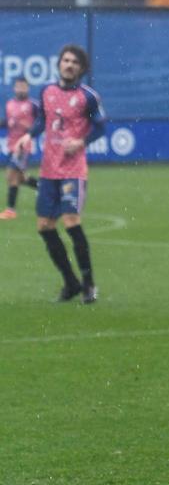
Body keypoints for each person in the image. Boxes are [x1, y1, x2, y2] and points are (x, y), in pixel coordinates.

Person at [16, 45, 106, 303]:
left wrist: (81, 142)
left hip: (73, 170)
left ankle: (89, 285)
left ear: (81, 68)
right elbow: (42, 122)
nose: (69, 65)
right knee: (44, 226)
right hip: (48, 169)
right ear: (59, 64)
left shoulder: (88, 96)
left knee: (71, 221)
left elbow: (101, 128)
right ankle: (71, 282)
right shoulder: (46, 91)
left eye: (74, 62)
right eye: (66, 60)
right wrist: (27, 135)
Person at [2, 77, 40, 220]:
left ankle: (10, 211)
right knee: (21, 178)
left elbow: (42, 122)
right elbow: (8, 122)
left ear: (28, 88)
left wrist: (30, 128)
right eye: (18, 86)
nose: (21, 89)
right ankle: (43, 187)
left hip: (24, 146)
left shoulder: (33, 105)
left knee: (11, 175)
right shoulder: (9, 104)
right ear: (14, 88)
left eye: (23, 87)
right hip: (11, 145)